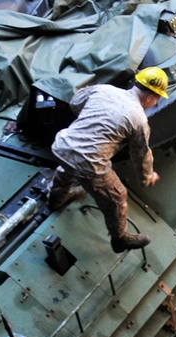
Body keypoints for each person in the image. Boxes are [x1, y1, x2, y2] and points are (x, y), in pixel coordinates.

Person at [46, 66, 168, 252]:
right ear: (151, 97)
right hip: (89, 163)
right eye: (157, 99)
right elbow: (140, 154)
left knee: (69, 167)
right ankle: (120, 239)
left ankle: (56, 198)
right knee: (117, 196)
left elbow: (75, 102)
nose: (155, 103)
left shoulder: (104, 89)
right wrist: (147, 177)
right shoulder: (139, 119)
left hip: (62, 146)